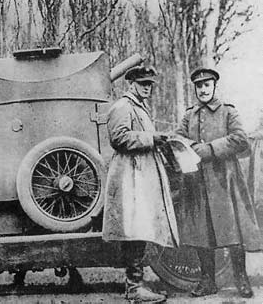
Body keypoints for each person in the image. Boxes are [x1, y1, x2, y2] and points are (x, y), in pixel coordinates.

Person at [174, 67, 263, 298]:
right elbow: (178, 137)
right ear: (195, 88)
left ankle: (241, 280)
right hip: (197, 182)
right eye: (199, 86)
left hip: (224, 181)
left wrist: (211, 149)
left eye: (207, 85)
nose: (203, 90)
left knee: (232, 232)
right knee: (201, 233)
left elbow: (240, 139)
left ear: (214, 87)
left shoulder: (228, 112)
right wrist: (192, 147)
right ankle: (207, 281)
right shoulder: (189, 115)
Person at [103, 66, 179, 302]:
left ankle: (136, 285)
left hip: (139, 175)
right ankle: (134, 288)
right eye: (143, 83)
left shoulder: (138, 106)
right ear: (131, 83)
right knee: (134, 230)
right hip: (129, 176)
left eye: (150, 84)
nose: (148, 87)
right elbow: (118, 138)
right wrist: (151, 138)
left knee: (140, 229)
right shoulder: (122, 107)